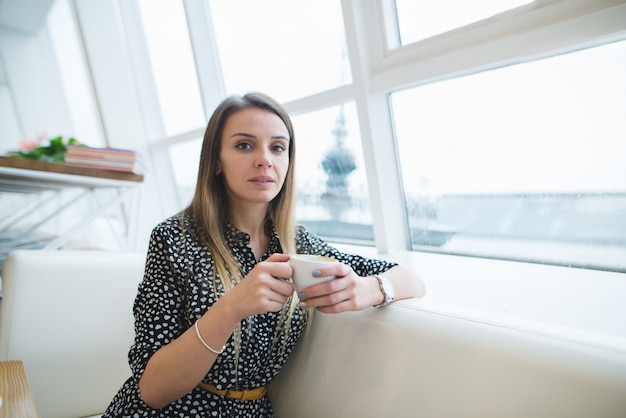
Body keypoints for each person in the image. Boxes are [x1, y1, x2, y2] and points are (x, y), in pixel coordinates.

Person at [103, 92, 425, 417]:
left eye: (277, 147)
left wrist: (369, 289)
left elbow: (410, 279)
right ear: (215, 161)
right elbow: (152, 389)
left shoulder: (299, 245)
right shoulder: (173, 239)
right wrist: (229, 309)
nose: (265, 159)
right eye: (244, 145)